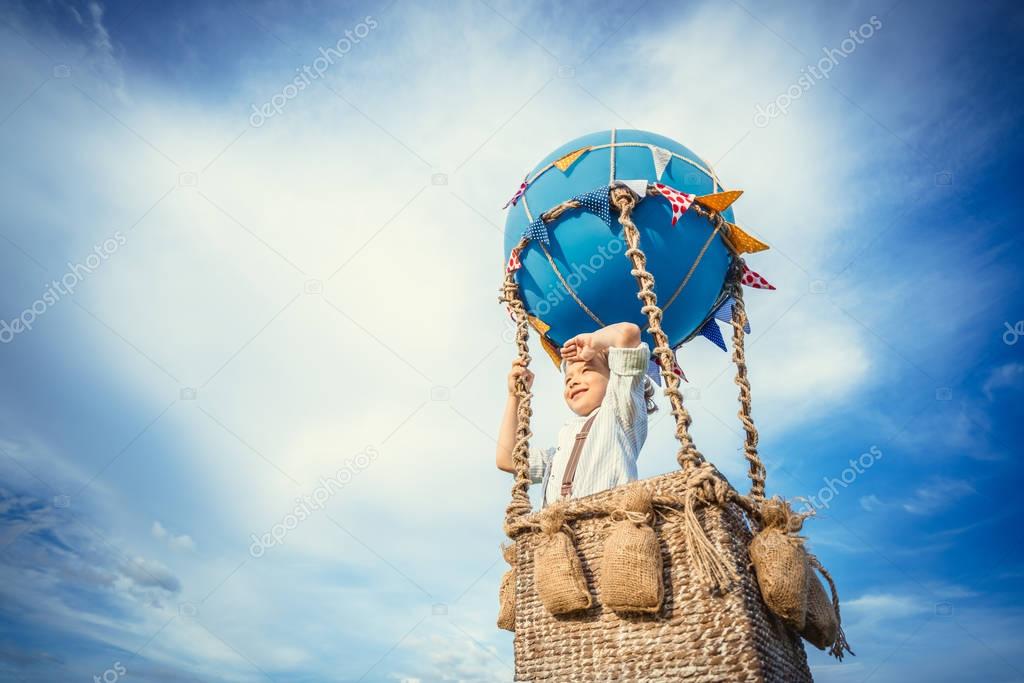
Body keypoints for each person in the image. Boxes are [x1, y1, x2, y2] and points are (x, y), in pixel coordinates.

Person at [495, 322, 656, 507]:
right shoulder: (556, 457)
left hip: (608, 524)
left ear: (615, 377)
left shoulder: (620, 410)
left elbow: (628, 333)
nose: (573, 382)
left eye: (586, 370)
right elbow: (507, 459)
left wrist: (594, 341)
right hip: (562, 531)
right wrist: (514, 396)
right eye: (568, 379)